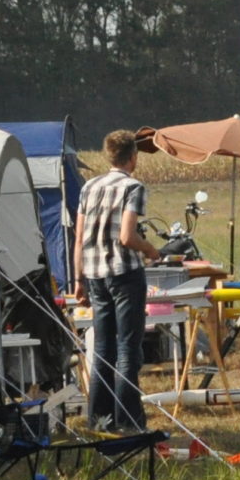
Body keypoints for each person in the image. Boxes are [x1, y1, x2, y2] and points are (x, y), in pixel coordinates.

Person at [71, 129, 156, 435]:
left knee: (103, 349)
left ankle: (99, 420)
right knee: (127, 349)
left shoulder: (89, 186)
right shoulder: (133, 187)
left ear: (109, 156)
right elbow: (127, 236)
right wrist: (151, 250)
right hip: (125, 274)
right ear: (133, 157)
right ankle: (129, 422)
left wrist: (78, 279)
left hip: (94, 276)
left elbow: (79, 238)